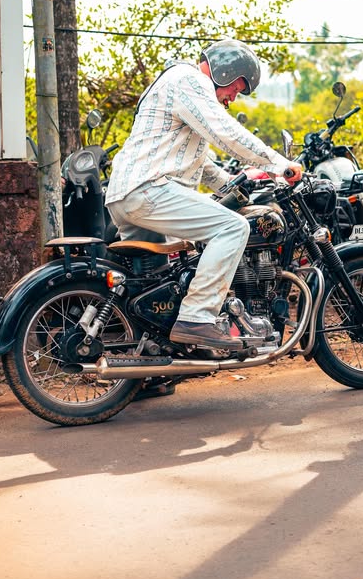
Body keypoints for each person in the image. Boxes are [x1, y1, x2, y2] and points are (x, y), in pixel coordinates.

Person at [105, 38, 302, 351]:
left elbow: (201, 164)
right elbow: (225, 132)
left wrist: (233, 184)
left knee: (159, 281)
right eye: (235, 89)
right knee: (233, 227)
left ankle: (151, 361)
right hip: (149, 190)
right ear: (224, 71)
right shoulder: (190, 80)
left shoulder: (179, 86)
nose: (232, 99)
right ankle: (197, 317)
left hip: (128, 194)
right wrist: (278, 163)